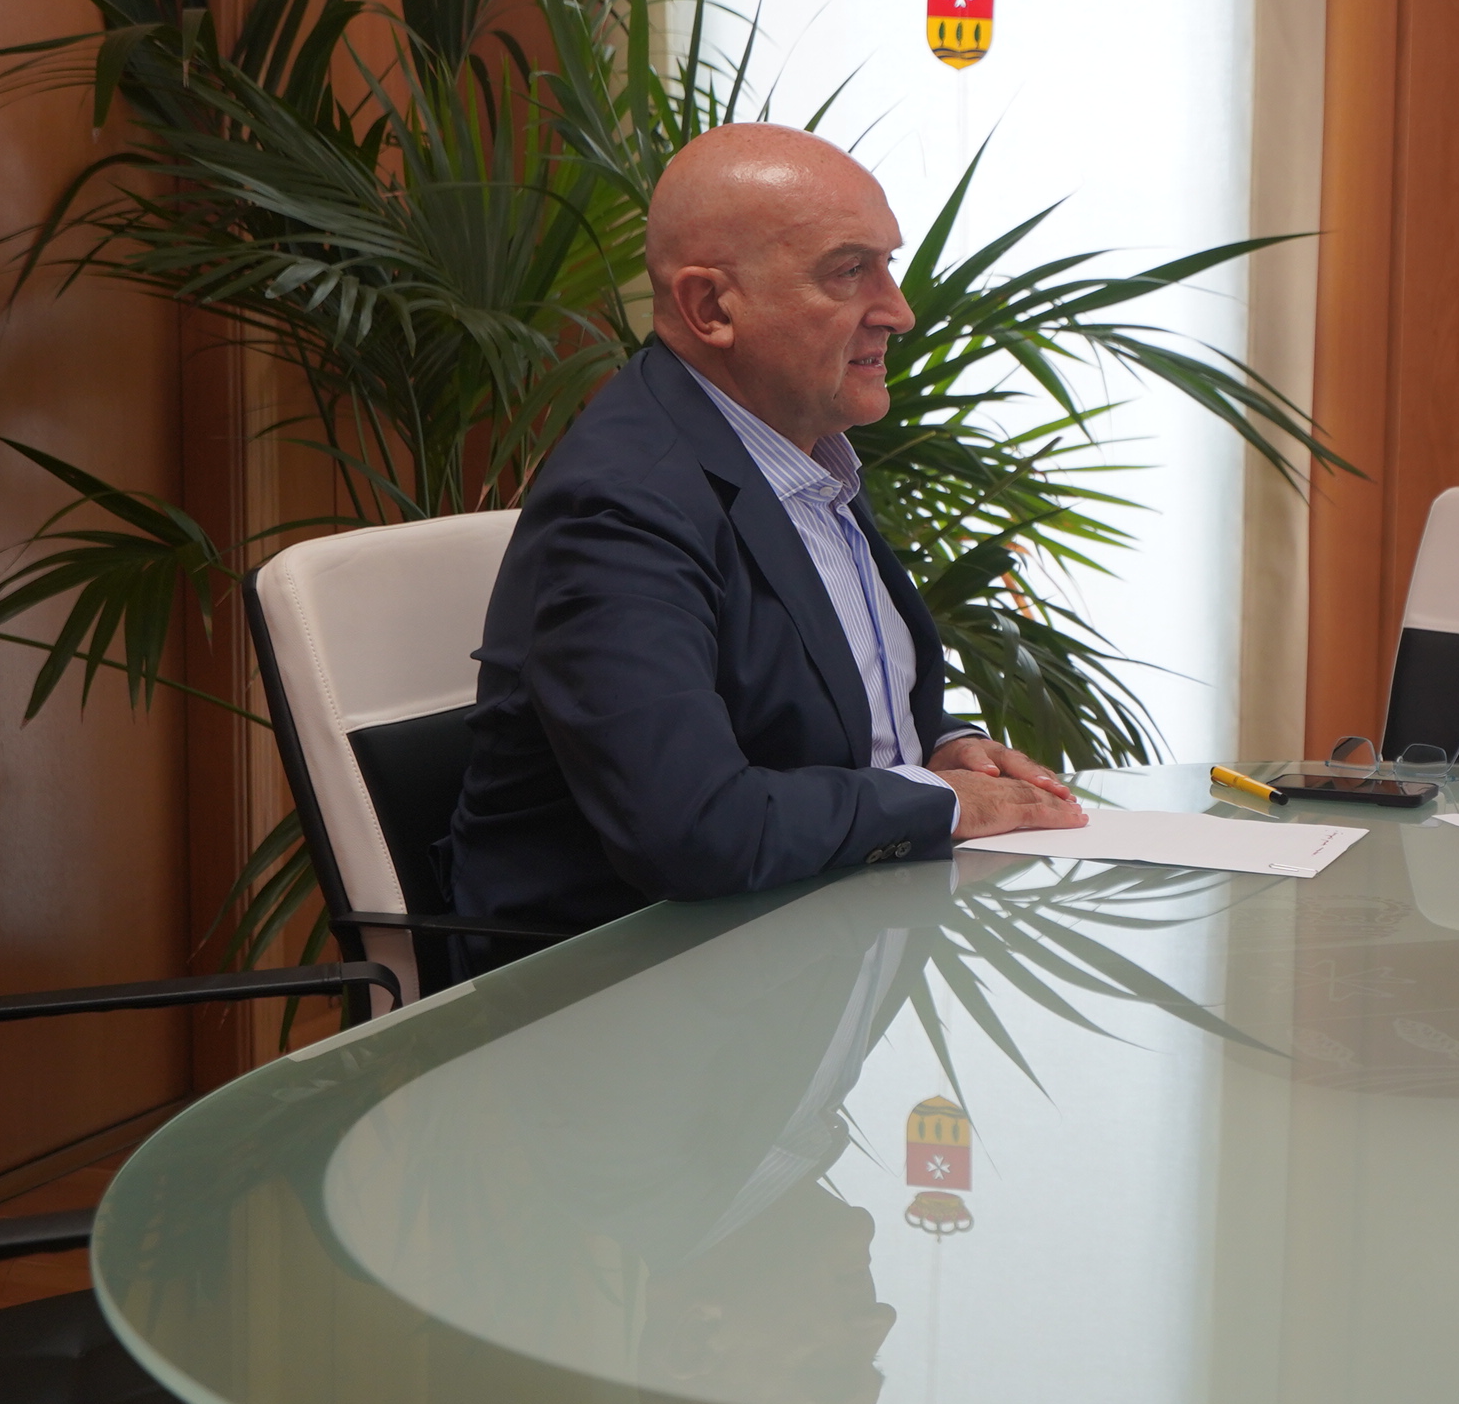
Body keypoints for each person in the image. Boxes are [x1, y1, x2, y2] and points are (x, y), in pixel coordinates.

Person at [447, 124, 1082, 953]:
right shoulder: (621, 508)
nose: (897, 310)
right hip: (632, 989)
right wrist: (943, 801)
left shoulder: (801, 454)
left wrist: (947, 748)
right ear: (712, 308)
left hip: (812, 942)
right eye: (850, 271)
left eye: (886, 263)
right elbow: (698, 829)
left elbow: (800, 707)